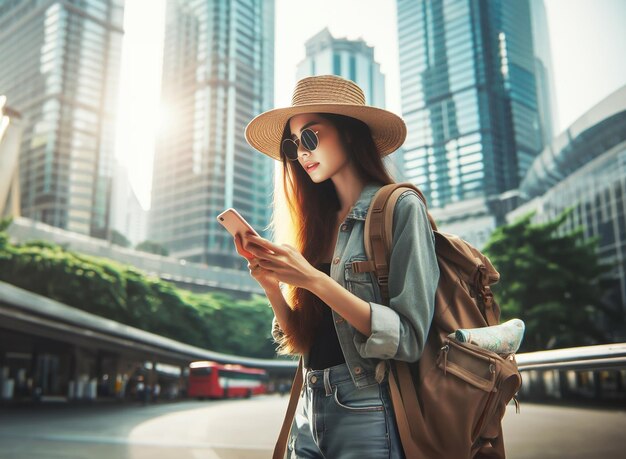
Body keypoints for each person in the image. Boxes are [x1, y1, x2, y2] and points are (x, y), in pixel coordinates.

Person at [234, 75, 440, 458]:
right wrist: (271, 285)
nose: (302, 152)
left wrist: (314, 279)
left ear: (348, 133)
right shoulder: (316, 224)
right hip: (308, 405)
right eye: (293, 145)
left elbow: (410, 338)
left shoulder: (401, 208)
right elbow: (301, 339)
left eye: (310, 137)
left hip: (366, 404)